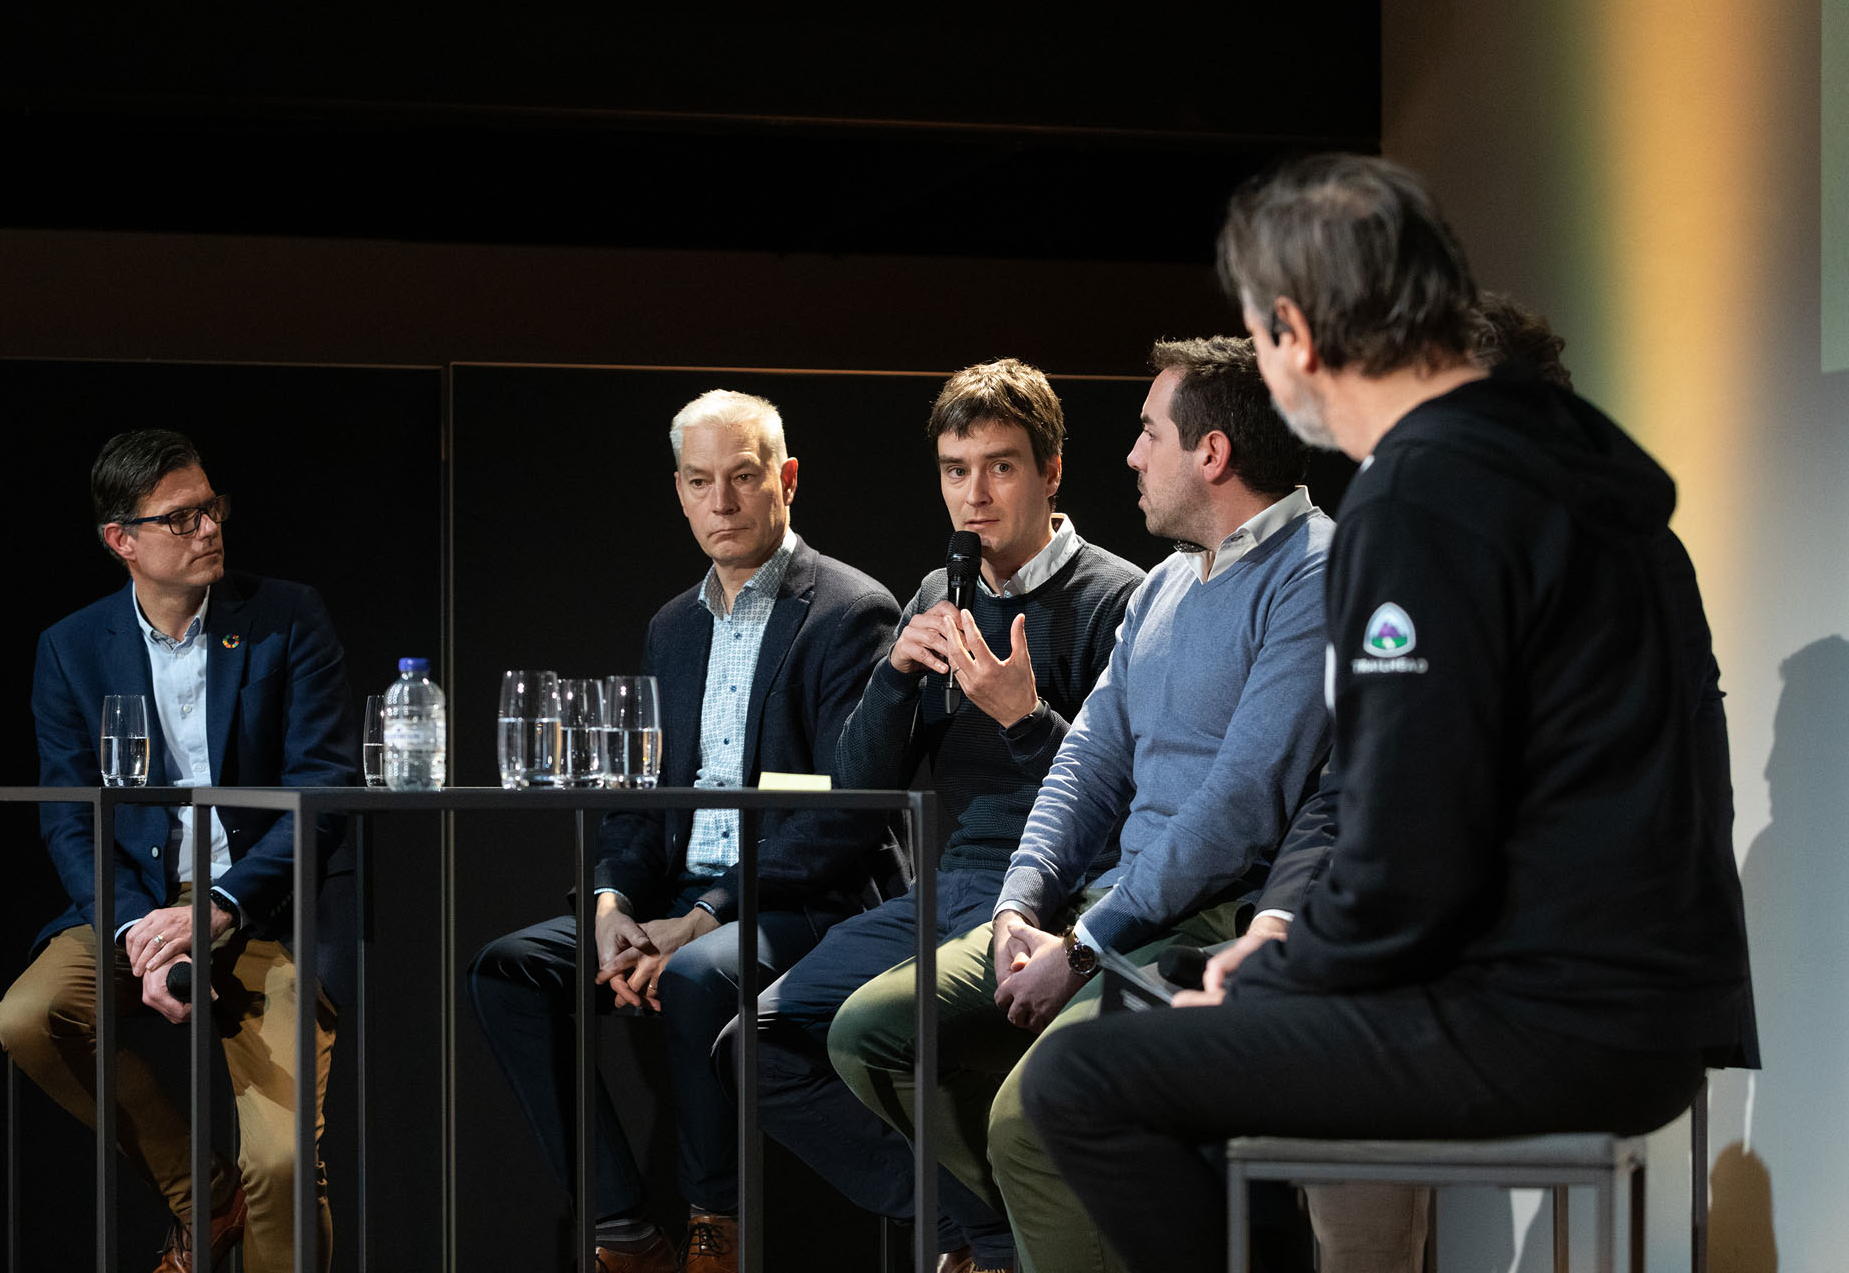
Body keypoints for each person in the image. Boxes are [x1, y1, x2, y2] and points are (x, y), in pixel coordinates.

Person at [1020, 154, 1756, 1273]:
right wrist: (1287, 949)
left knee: (1086, 1080)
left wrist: (1280, 969)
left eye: (1263, 341)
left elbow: (1414, 837)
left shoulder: (1422, 496)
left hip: (1546, 1017)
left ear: (1297, 332)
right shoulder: (1589, 483)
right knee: (1163, 1017)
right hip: (1654, 1012)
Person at [830, 337, 1333, 1273]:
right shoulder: (1174, 584)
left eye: (1148, 434)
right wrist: (1024, 903)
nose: (1133, 455)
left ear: (1212, 453)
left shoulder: (1313, 574)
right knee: (873, 1036)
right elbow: (1090, 763)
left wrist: (1086, 944)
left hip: (1206, 916)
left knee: (1035, 1125)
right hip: (1098, 902)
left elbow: (1239, 809)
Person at [468, 389, 900, 1273]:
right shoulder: (672, 627)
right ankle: (624, 1230)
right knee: (508, 970)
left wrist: (702, 915)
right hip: (677, 897)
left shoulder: (852, 612)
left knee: (703, 974)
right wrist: (612, 902)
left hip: (805, 897)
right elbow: (641, 799)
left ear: (785, 480)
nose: (722, 503)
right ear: (678, 491)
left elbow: (840, 821)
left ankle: (717, 1226)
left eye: (743, 479)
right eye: (700, 483)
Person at [734, 359, 1144, 1273]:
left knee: (908, 1041)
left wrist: (1021, 714)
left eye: (1000, 466)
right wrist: (892, 679)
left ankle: (1012, 1238)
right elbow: (860, 786)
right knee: (758, 1043)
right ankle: (981, 1232)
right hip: (957, 882)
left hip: (1063, 889)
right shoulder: (937, 593)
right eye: (957, 470)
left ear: (1052, 473)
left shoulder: (1122, 598)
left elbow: (1129, 800)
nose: (975, 494)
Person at [0, 428, 360, 1273]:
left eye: (212, 508)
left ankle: (246, 1200)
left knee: (279, 1163)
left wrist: (219, 904)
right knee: (31, 1018)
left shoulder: (284, 617)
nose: (209, 530)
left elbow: (324, 789)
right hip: (138, 904)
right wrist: (134, 932)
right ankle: (203, 1192)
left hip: (267, 903)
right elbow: (69, 818)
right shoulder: (73, 646)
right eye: (182, 517)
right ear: (122, 541)